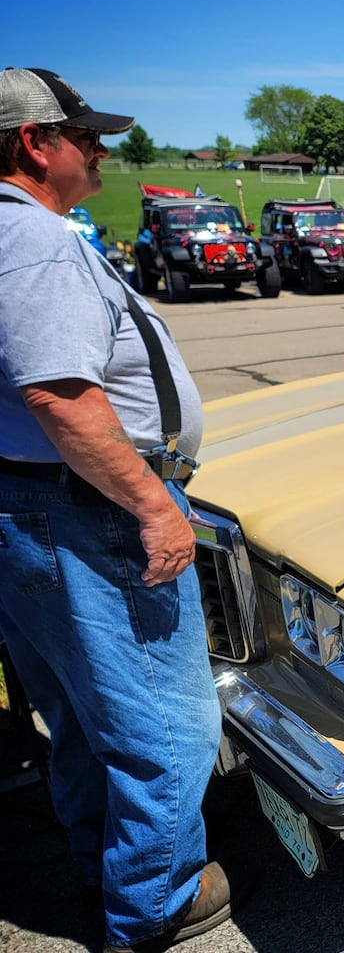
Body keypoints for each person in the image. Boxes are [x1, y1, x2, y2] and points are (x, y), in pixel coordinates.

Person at [0, 68, 230, 951]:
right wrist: (153, 506)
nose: (103, 149)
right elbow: (61, 395)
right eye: (86, 135)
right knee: (166, 726)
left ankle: (101, 857)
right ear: (35, 142)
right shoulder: (39, 243)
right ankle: (156, 902)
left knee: (78, 709)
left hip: (28, 507)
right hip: (87, 510)